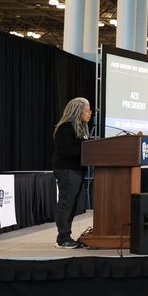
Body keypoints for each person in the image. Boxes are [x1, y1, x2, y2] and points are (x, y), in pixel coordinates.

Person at [52, 97, 92, 249]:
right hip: (67, 170)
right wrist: (86, 145)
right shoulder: (65, 128)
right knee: (66, 203)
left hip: (76, 169)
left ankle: (65, 235)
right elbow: (69, 150)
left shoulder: (80, 127)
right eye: (87, 111)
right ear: (77, 111)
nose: (90, 114)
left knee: (72, 204)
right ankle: (63, 238)